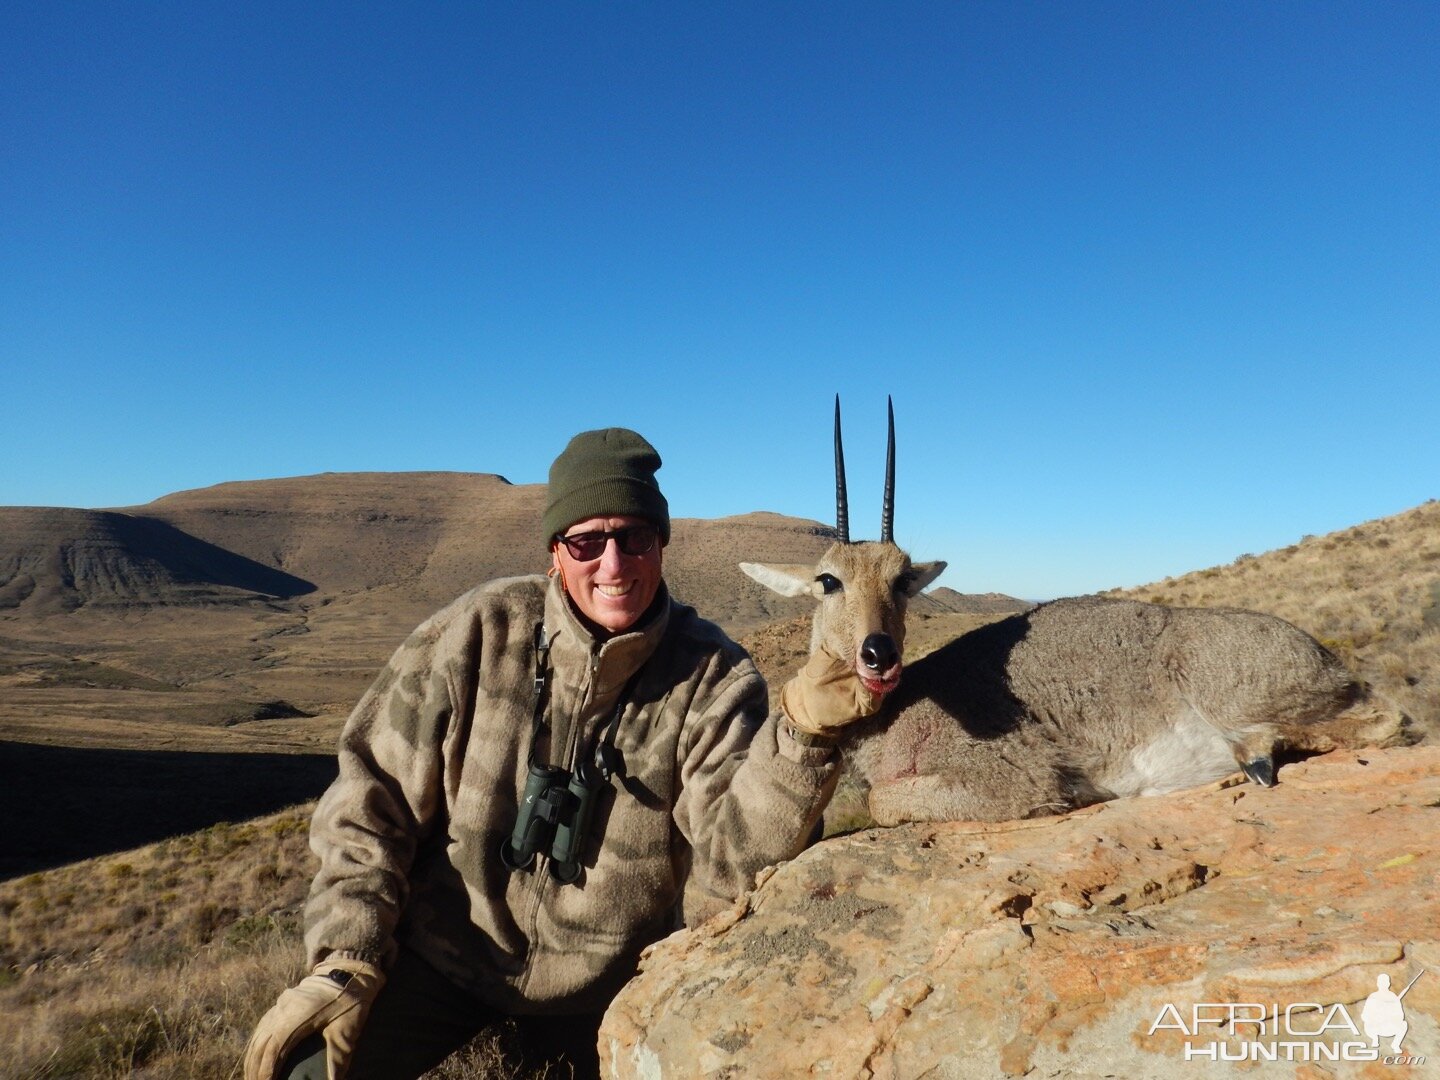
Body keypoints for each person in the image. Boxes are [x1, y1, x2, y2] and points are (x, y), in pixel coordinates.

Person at [244, 428, 880, 1080]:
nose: (614, 563)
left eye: (635, 537)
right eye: (587, 541)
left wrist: (803, 738)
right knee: (305, 1069)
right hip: (443, 955)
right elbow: (370, 799)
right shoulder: (478, 630)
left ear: (660, 544)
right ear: (556, 551)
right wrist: (349, 956)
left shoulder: (716, 677)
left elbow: (733, 864)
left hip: (609, 985)